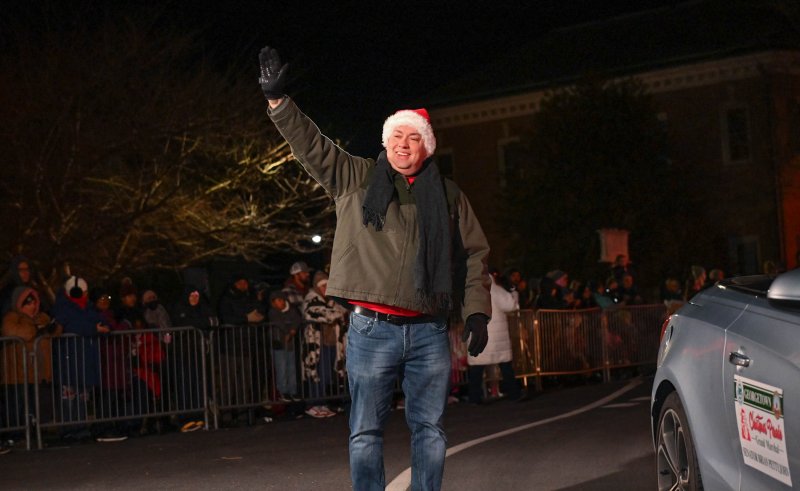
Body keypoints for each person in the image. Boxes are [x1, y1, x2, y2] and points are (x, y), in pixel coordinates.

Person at [260, 45, 491, 490]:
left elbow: (474, 254)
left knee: (430, 430)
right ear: (386, 142)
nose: (403, 144)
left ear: (427, 146)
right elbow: (312, 146)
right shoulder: (357, 177)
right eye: (396, 136)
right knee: (365, 431)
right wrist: (277, 101)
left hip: (428, 329)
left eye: (413, 138)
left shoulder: (449, 196)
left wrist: (477, 311)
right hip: (372, 329)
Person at [1, 286, 62, 446]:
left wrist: (52, 328)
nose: (33, 306)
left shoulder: (42, 317)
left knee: (37, 405)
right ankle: (16, 435)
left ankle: (36, 434)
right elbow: (10, 330)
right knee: (18, 406)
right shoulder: (12, 317)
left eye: (34, 302)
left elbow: (57, 330)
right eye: (28, 303)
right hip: (17, 372)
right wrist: (37, 330)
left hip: (39, 371)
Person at [52, 275, 110, 440]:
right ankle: (70, 429)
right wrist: (93, 329)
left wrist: (103, 327)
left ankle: (81, 428)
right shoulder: (63, 308)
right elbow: (71, 325)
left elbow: (102, 322)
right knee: (69, 397)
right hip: (69, 359)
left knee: (82, 397)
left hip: (85, 359)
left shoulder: (88, 308)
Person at [467, 274, 522, 404]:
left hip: (477, 334)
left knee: (477, 368)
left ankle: (474, 397)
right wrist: (514, 294)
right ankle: (514, 393)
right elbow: (510, 305)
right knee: (505, 365)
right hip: (496, 337)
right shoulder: (494, 290)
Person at [171, 285, 218, 433]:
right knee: (185, 385)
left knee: (199, 384)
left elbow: (214, 321)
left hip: (199, 353)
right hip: (183, 354)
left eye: (197, 296)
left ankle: (199, 415)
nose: (194, 298)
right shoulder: (179, 308)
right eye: (192, 295)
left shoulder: (203, 307)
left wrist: (196, 322)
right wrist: (200, 323)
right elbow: (181, 323)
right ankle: (185, 418)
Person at [302, 271, 347, 418]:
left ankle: (323, 402)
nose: (325, 288)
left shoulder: (332, 300)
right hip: (316, 345)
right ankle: (313, 404)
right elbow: (320, 314)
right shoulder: (311, 298)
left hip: (332, 343)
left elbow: (342, 310)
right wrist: (335, 314)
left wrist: (336, 313)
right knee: (315, 373)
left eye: (327, 285)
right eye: (322, 286)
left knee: (327, 375)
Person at [267, 290, 300, 402]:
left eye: (280, 300)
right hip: (278, 344)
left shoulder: (291, 310)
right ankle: (283, 391)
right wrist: (289, 331)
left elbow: (297, 319)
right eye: (276, 301)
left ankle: (293, 391)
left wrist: (292, 330)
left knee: (291, 369)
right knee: (281, 369)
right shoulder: (273, 312)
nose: (278, 303)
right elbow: (279, 322)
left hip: (290, 344)